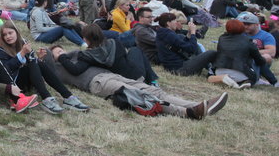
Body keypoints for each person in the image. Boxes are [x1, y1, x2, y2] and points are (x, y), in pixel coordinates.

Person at [53, 46, 228, 120]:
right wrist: (56, 55)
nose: (61, 52)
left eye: (62, 49)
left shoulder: (76, 56)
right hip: (97, 83)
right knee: (142, 97)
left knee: (152, 90)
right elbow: (63, 66)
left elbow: (92, 56)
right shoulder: (58, 69)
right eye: (57, 51)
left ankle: (199, 105)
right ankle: (187, 112)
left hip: (110, 75)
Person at [0, 23, 89, 114]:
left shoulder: (23, 43)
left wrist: (39, 58)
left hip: (25, 80)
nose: (8, 36)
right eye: (5, 35)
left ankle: (68, 97)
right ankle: (46, 98)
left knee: (38, 62)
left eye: (10, 33)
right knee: (34, 62)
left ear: (16, 32)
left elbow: (31, 63)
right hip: (13, 83)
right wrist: (22, 54)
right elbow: (5, 70)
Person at [206, 19, 265, 89]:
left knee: (210, 76)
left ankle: (225, 79)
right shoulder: (248, 40)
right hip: (240, 72)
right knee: (253, 77)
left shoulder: (222, 38)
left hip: (219, 70)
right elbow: (258, 59)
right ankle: (246, 82)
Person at [236, 11, 277, 86]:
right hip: (241, 60)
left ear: (257, 25)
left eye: (248, 24)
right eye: (243, 24)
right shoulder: (240, 33)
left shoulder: (266, 36)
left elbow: (271, 52)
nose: (245, 26)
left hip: (256, 59)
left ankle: (259, 75)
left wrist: (253, 52)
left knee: (267, 57)